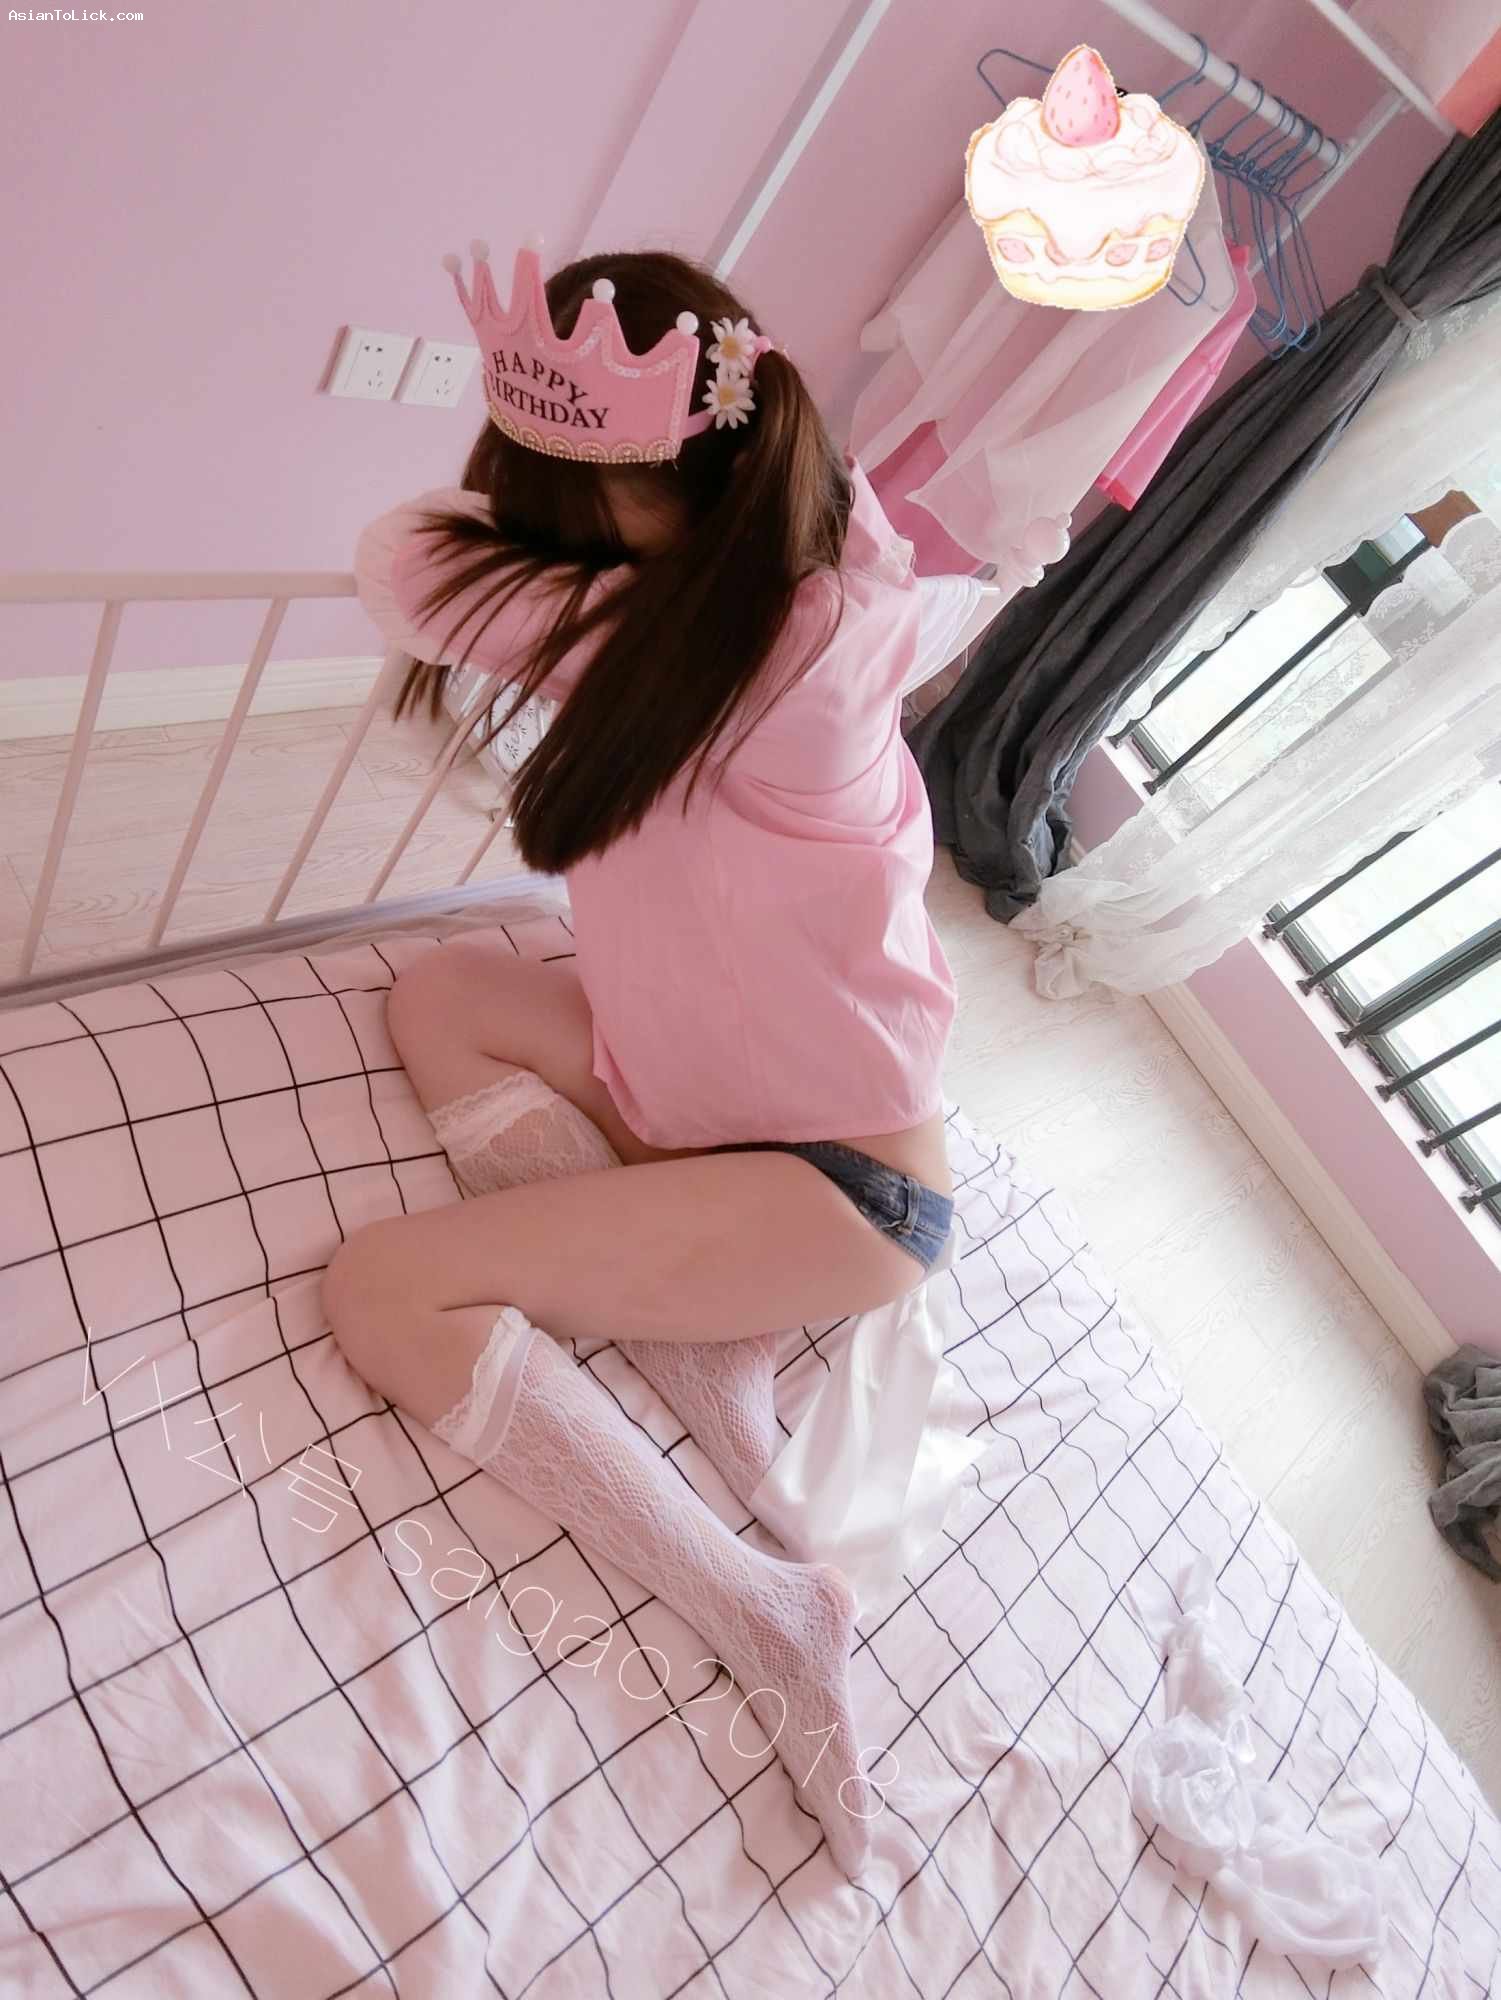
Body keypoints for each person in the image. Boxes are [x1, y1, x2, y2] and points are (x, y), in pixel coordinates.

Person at [324, 241, 959, 1877]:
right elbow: (417, 560)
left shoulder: (790, 662)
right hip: (695, 1105)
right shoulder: (788, 564)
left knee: (385, 1292)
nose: (549, 551)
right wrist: (603, 433)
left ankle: (765, 1610)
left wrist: (558, 443)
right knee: (443, 996)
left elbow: (407, 560)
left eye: (568, 509)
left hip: (839, 1188)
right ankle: (707, 1359)